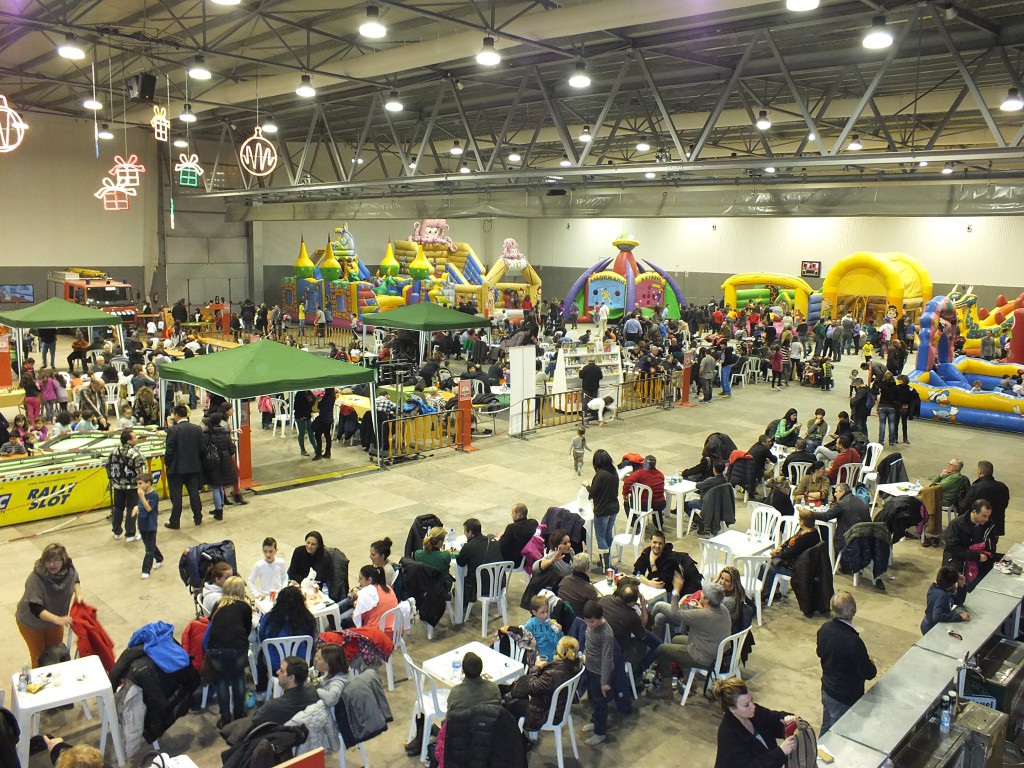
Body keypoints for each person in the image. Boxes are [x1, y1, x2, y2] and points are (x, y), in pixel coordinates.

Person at [816, 591, 877, 735]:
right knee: (840, 733)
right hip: (844, 696)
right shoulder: (853, 641)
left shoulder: (825, 629)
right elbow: (868, 672)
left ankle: (818, 753)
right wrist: (871, 663)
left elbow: (820, 652)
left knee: (826, 725)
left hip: (827, 689)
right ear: (853, 610)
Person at [16, 543, 83, 666]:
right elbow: (36, 608)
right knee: (39, 657)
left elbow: (76, 580)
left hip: (56, 621)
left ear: (63, 560)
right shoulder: (35, 578)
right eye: (48, 561)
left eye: (56, 560)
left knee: (56, 653)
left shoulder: (70, 571)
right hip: (32, 623)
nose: (52, 565)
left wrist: (78, 595)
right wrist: (58, 619)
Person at [655, 582, 731, 685]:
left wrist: (676, 592)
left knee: (662, 650)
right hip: (717, 651)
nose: (701, 594)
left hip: (705, 656)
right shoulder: (723, 609)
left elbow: (674, 613)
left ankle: (666, 687)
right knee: (676, 640)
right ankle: (687, 679)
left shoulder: (702, 615)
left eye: (703, 593)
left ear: (707, 600)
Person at [712, 677, 796, 768]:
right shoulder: (728, 735)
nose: (753, 706)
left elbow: (773, 719)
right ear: (732, 709)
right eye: (746, 705)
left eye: (751, 700)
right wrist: (781, 752)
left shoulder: (754, 712)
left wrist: (788, 720)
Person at [206, 576, 252, 726]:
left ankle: (225, 718)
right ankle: (239, 714)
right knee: (238, 678)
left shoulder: (218, 604)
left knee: (222, 681)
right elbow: (247, 629)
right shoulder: (244, 606)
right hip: (237, 647)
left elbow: (211, 623)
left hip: (216, 648)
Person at [257, 585, 317, 692]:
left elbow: (262, 639)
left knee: (261, 654)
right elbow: (312, 640)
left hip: (275, 666)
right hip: (301, 664)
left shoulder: (268, 618)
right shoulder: (308, 619)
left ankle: (262, 690)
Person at [516, 636, 581, 734]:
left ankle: (520, 739)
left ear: (557, 651)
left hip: (545, 712)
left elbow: (531, 688)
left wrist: (536, 668)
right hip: (561, 706)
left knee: (512, 701)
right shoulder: (577, 665)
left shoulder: (552, 674)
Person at [600, 583, 659, 677]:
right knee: (657, 645)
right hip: (619, 651)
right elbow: (642, 632)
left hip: (601, 644)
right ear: (633, 602)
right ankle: (639, 670)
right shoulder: (631, 616)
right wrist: (643, 604)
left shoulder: (605, 599)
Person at [763, 507, 821, 599]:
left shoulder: (806, 538)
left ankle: (766, 592)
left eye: (799, 519)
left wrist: (776, 554)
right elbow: (790, 541)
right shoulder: (811, 532)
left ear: (802, 521)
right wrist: (780, 547)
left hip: (796, 568)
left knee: (766, 566)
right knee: (769, 562)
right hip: (798, 563)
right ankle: (773, 590)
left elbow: (790, 553)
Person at [164, 404, 204, 529]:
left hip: (176, 469)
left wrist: (168, 463)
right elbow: (203, 449)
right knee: (194, 493)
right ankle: (198, 517)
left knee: (176, 497)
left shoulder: (173, 430)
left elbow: (169, 450)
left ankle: (175, 521)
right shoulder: (197, 429)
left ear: (176, 415)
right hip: (193, 467)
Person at [251, 655, 319, 727]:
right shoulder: (312, 690)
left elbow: (255, 720)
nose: (277, 672)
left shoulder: (273, 707)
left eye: (281, 671)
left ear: (291, 678)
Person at [581, 600, 614, 746]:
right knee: (593, 699)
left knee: (600, 703)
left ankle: (600, 733)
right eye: (586, 621)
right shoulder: (590, 626)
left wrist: (604, 681)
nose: (589, 625)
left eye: (592, 622)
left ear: (600, 618)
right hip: (590, 668)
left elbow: (607, 658)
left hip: (600, 673)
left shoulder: (607, 633)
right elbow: (588, 643)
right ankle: (595, 722)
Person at [943, 500, 996, 590]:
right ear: (974, 512)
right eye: (984, 516)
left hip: (979, 567)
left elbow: (991, 544)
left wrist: (988, 554)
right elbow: (953, 547)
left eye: (988, 516)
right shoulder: (956, 524)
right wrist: (976, 556)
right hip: (958, 565)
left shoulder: (989, 525)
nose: (987, 519)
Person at [106, 428, 146, 542]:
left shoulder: (114, 451)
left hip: (118, 486)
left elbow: (108, 466)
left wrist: (112, 479)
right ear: (129, 441)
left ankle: (116, 531)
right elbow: (141, 472)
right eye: (134, 437)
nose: (137, 439)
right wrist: (142, 487)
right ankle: (130, 534)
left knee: (118, 508)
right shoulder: (136, 454)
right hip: (132, 487)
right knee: (131, 509)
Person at [961, 460, 1010, 544]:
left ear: (980, 472)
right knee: (991, 547)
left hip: (978, 526)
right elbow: (1004, 504)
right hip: (996, 524)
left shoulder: (976, 488)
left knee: (977, 550)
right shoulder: (1002, 487)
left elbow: (965, 506)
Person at [815, 482, 870, 556]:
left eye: (836, 492)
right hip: (864, 539)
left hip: (848, 539)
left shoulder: (840, 504)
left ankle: (831, 559)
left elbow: (826, 516)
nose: (834, 494)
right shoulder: (859, 500)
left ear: (843, 492)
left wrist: (810, 514)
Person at [202, 411, 237, 522]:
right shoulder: (225, 432)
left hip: (213, 462)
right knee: (220, 485)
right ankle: (220, 505)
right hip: (226, 461)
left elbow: (203, 449)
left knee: (216, 487)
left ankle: (218, 511)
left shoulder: (207, 434)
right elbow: (232, 448)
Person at [587, 449, 619, 570]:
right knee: (608, 535)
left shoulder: (600, 475)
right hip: (614, 508)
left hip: (603, 510)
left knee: (600, 537)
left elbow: (594, 492)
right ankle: (608, 561)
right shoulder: (613, 472)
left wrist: (586, 486)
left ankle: (606, 565)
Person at [455, 517, 499, 605]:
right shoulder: (493, 542)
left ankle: (463, 604)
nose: (464, 533)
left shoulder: (468, 546)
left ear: (470, 533)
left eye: (465, 531)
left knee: (461, 582)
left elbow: (460, 562)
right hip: (498, 584)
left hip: (480, 586)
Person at [622, 454, 667, 530]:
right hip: (659, 504)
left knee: (626, 503)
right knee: (656, 502)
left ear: (644, 464)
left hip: (643, 505)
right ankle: (659, 523)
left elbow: (627, 482)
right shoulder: (660, 475)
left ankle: (636, 525)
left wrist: (625, 494)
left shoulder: (639, 473)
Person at [921, 565, 970, 635]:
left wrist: (961, 586)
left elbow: (958, 601)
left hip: (927, 624)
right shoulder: (942, 596)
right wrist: (960, 617)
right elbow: (937, 616)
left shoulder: (936, 588)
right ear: (952, 584)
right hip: (931, 629)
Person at [347, 564, 398, 630]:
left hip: (375, 633)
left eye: (361, 578)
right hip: (394, 629)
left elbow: (358, 616)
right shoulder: (388, 588)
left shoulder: (366, 593)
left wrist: (357, 604)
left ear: (369, 580)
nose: (358, 581)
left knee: (345, 619)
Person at [133, 472, 163, 580]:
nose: (138, 486)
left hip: (150, 525)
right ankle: (159, 557)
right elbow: (140, 506)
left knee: (149, 550)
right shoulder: (141, 494)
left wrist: (141, 496)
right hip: (142, 523)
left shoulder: (154, 495)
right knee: (150, 545)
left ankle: (146, 570)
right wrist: (136, 508)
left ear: (148, 483)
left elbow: (149, 508)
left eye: (141, 483)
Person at [558, 553, 600, 619]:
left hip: (563, 618)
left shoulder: (564, 580)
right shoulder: (589, 589)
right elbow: (596, 608)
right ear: (588, 567)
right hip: (581, 621)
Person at [524, 595, 564, 662]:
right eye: (542, 612)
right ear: (534, 612)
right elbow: (525, 640)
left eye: (547, 611)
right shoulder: (530, 625)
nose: (546, 615)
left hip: (553, 656)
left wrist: (559, 633)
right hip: (539, 658)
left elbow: (556, 643)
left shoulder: (551, 623)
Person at [312, 644, 350, 708]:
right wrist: (315, 681)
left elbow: (331, 699)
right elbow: (324, 679)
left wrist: (316, 691)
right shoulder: (335, 670)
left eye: (319, 658)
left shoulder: (338, 682)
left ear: (329, 663)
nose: (315, 660)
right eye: (316, 656)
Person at [310, 387, 336, 461]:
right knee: (327, 435)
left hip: (323, 419)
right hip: (329, 419)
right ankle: (328, 452)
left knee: (317, 435)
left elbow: (319, 407)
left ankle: (318, 454)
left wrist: (318, 400)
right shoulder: (333, 397)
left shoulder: (326, 398)